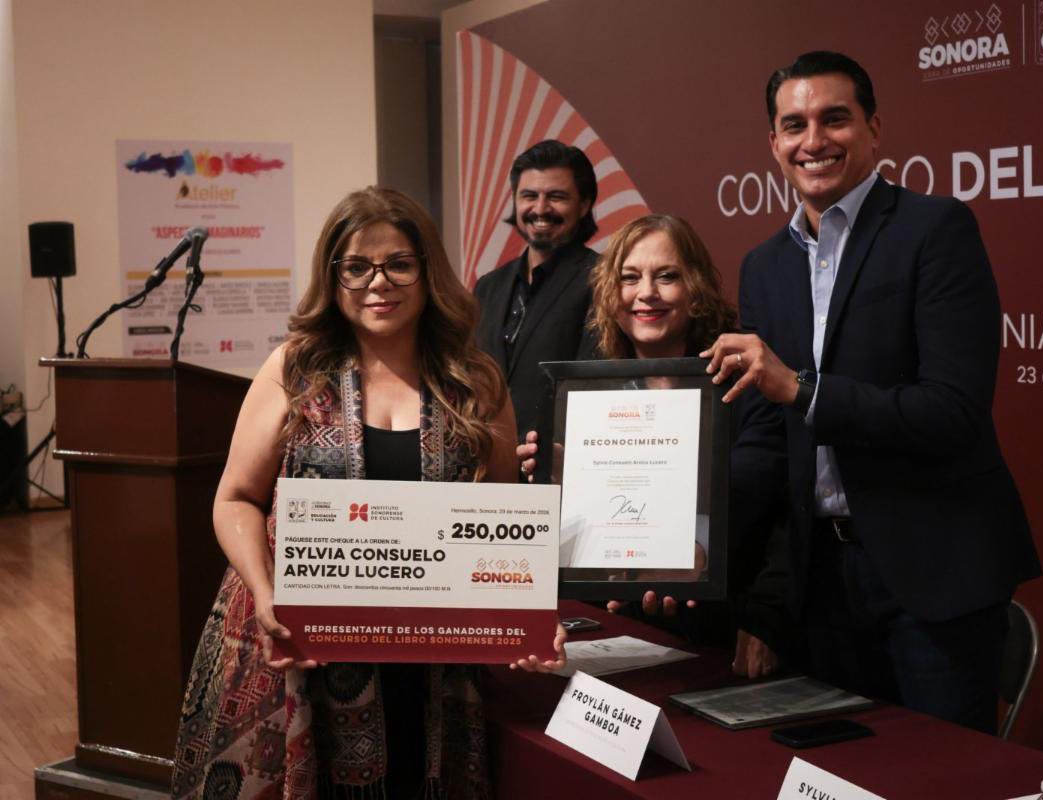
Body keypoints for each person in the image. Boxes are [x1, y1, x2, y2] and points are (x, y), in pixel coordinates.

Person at [171, 187, 564, 800]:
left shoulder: (476, 383)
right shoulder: (294, 370)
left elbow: (501, 523)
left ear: (428, 272)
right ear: (333, 277)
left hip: (433, 665)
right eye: (356, 267)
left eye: (398, 264)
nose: (378, 282)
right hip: (295, 652)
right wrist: (266, 593)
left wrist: (527, 621)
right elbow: (235, 498)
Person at [702, 51, 1041, 732]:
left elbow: (952, 411)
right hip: (820, 581)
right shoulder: (764, 267)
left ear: (874, 128)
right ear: (773, 143)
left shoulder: (935, 230)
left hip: (932, 574)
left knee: (942, 775)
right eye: (794, 125)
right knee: (839, 772)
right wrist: (682, 523)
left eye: (835, 119)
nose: (814, 141)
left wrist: (803, 390)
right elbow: (766, 442)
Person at [521, 213, 793, 679]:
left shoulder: (745, 387)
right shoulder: (585, 401)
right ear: (610, 294)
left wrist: (765, 619)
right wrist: (557, 481)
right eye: (629, 278)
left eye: (666, 276)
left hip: (729, 634)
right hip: (621, 628)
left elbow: (786, 513)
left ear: (696, 289)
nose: (646, 292)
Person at [473, 140, 600, 483]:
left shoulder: (602, 279)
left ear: (584, 204)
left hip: (556, 474)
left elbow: (591, 387)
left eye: (556, 197)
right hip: (483, 475)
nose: (540, 208)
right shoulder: (488, 287)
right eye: (529, 196)